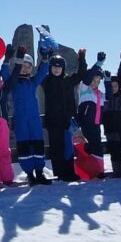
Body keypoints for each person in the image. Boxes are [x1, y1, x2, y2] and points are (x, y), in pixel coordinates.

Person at [3, 44, 51, 186]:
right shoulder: (14, 82)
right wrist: (7, 60)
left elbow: (43, 72)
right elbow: (5, 75)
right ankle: (30, 174)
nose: (25, 68)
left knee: (37, 144)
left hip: (34, 119)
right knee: (24, 146)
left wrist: (45, 58)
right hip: (21, 120)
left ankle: (39, 173)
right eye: (23, 65)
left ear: (31, 68)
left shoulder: (32, 82)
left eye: (28, 66)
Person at [41, 49, 89, 182]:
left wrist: (82, 58)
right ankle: (60, 173)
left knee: (68, 148)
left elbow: (81, 74)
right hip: (53, 121)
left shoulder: (68, 80)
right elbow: (40, 73)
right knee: (56, 148)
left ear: (63, 68)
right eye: (54, 67)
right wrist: (46, 56)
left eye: (59, 67)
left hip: (67, 119)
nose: (57, 69)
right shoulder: (47, 82)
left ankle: (69, 172)